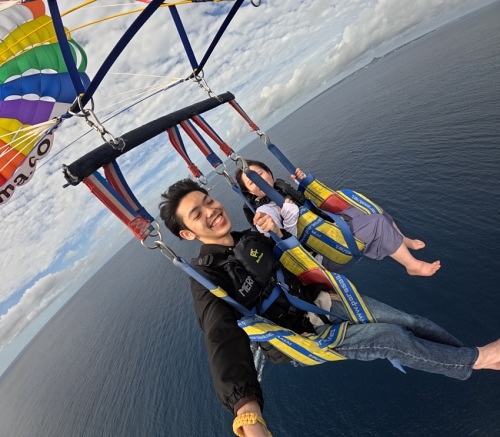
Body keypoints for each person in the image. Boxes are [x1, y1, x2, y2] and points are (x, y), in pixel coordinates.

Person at [159, 178, 500, 437]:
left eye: (209, 201)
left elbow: (297, 243)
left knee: (411, 322)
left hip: (323, 301)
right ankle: (478, 358)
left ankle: (474, 359)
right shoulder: (207, 278)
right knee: (392, 338)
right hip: (305, 338)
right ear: (187, 234)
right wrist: (246, 409)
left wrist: (281, 223)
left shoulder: (252, 238)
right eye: (197, 214)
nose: (211, 211)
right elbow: (221, 337)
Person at [235, 159, 441, 277]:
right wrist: (271, 224)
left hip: (327, 228)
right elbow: (277, 237)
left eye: (259, 174)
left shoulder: (281, 189)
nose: (258, 181)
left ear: (269, 173)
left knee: (369, 210)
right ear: (250, 193)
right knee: (377, 224)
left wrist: (303, 184)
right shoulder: (266, 209)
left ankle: (401, 240)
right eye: (252, 182)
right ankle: (411, 265)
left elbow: (304, 203)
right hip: (324, 251)